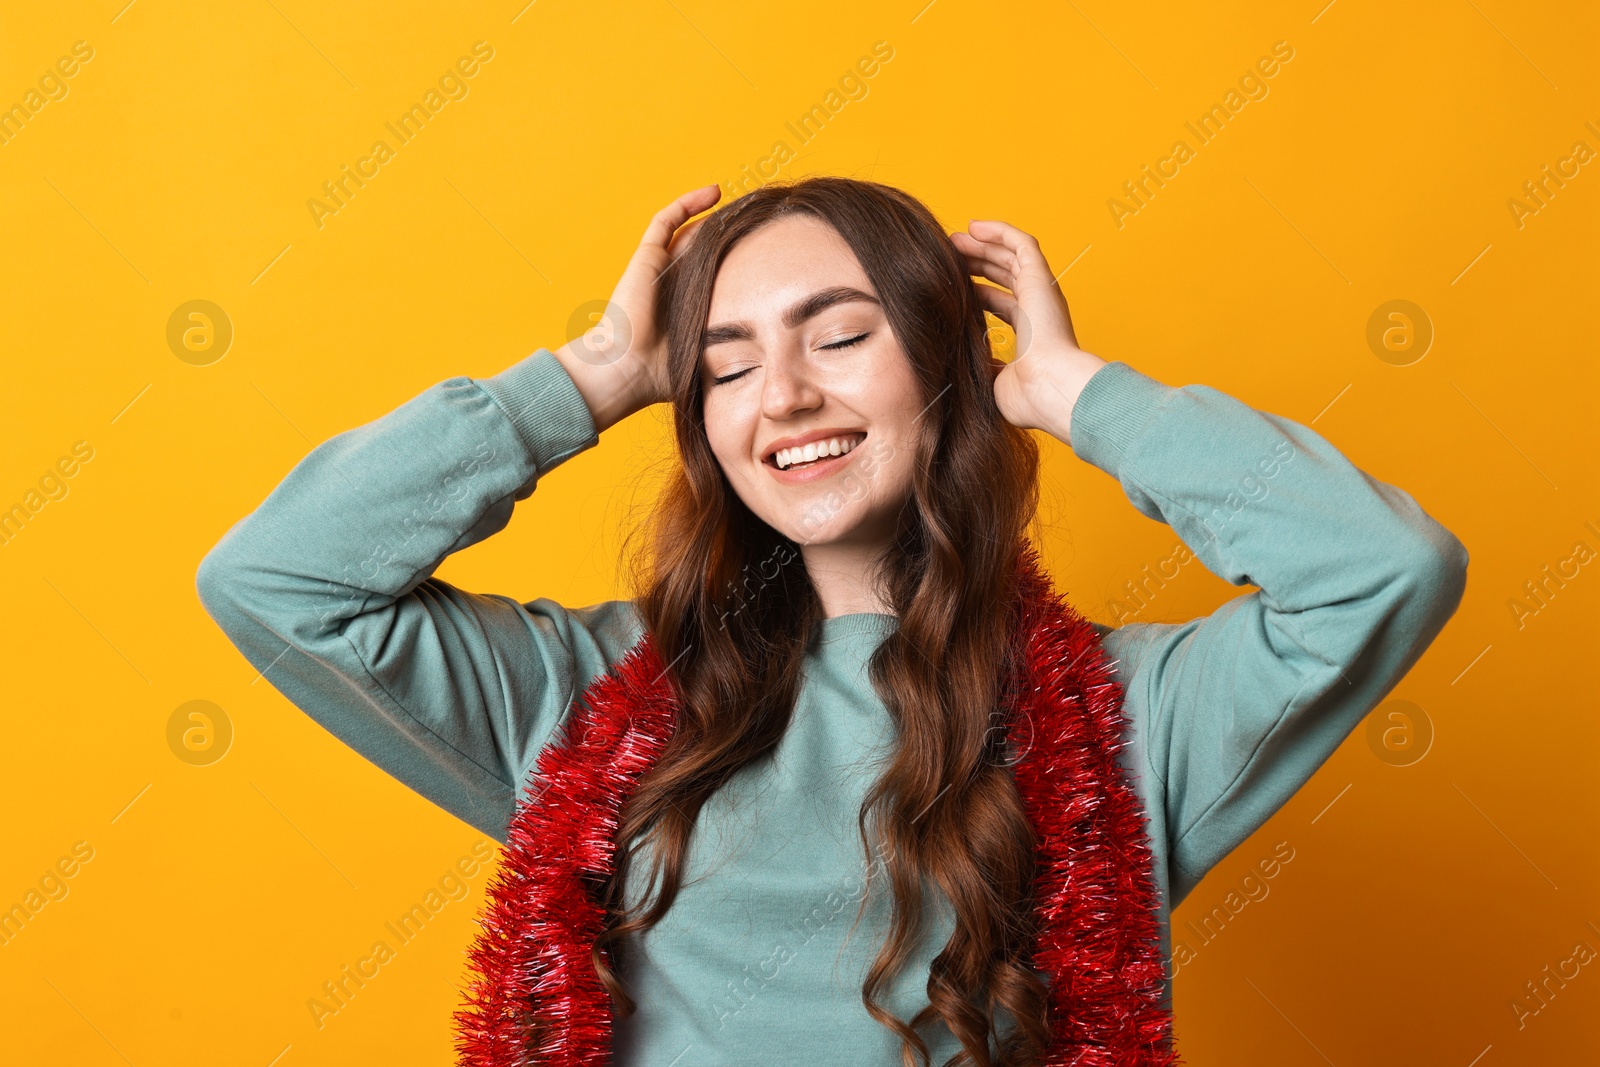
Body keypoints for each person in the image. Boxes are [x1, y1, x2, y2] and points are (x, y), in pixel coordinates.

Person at [196, 176, 1468, 1066]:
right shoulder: (580, 701)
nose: (786, 394)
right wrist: (589, 375)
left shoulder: (1126, 725)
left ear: (947, 367)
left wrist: (1076, 392)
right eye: (728, 363)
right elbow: (280, 577)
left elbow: (1379, 566)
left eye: (842, 336)